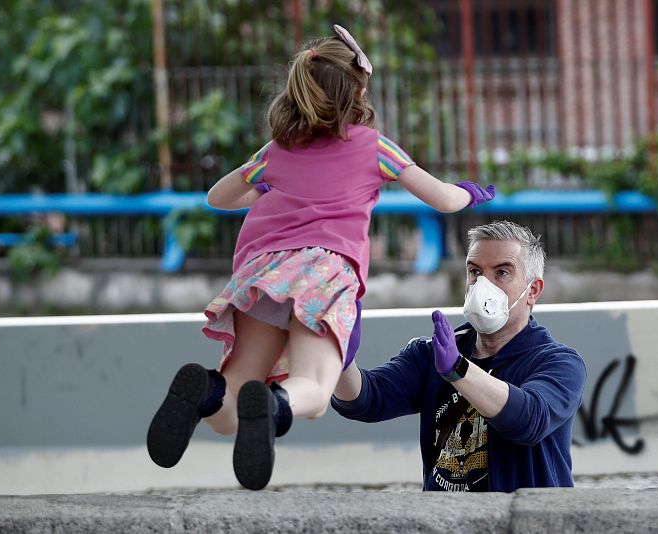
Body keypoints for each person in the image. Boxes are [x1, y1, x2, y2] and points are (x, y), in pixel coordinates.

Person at [146, 24, 495, 491]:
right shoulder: (375, 147)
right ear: (358, 91)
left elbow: (217, 197)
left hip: (264, 271)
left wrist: (268, 188)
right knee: (312, 388)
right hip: (323, 273)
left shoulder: (276, 151)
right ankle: (274, 406)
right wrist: (470, 194)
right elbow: (443, 199)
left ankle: (207, 391)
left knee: (228, 411)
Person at [331, 220, 586, 492]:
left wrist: (458, 370)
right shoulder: (433, 353)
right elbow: (366, 400)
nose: (483, 284)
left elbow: (529, 421)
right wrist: (339, 357)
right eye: (475, 271)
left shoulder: (559, 363)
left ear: (532, 290)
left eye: (501, 272)